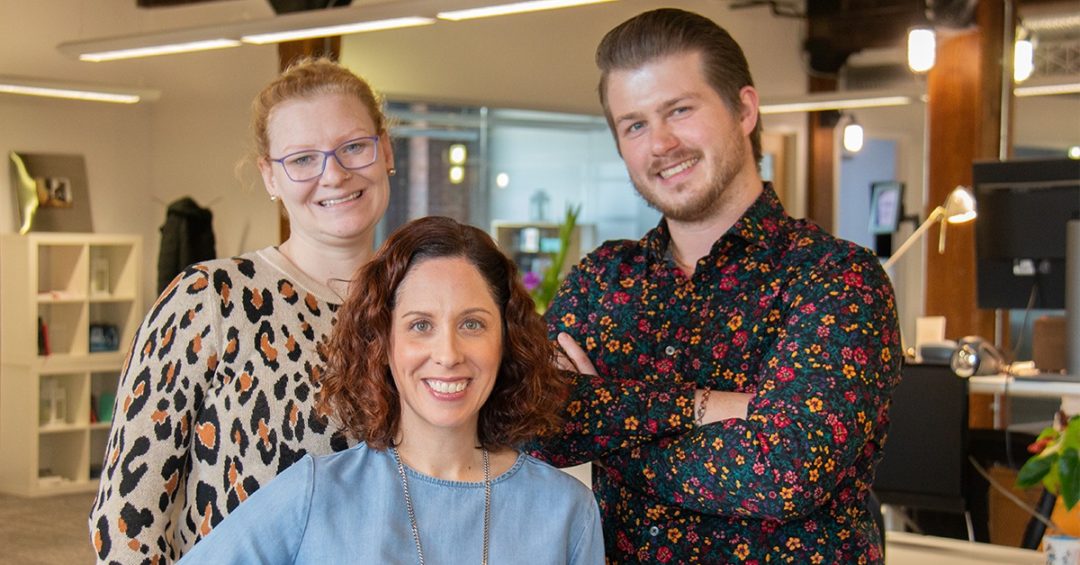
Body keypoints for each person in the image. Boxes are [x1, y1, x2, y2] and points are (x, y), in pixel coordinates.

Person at [529, 8, 903, 563]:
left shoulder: (836, 278)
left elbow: (782, 471)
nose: (660, 144)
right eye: (634, 124)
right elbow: (533, 423)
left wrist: (606, 417)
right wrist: (707, 407)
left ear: (744, 108)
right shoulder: (601, 280)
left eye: (679, 110)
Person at [88, 57, 395, 563]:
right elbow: (126, 518)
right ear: (269, 176)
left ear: (385, 150)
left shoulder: (419, 308)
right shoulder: (210, 299)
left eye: (354, 147)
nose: (334, 174)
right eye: (301, 159)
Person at [175, 216, 605, 564]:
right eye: (420, 325)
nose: (448, 353)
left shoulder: (566, 511)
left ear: (506, 340)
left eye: (472, 324)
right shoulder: (314, 494)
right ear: (382, 344)